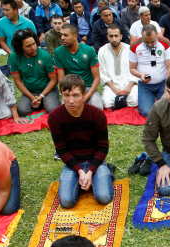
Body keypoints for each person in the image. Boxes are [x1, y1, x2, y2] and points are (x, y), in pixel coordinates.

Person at [48, 74, 113, 208]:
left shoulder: (97, 114)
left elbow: (103, 147)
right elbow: (61, 149)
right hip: (73, 162)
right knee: (66, 202)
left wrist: (90, 171)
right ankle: (87, 179)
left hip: (95, 159)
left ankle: (102, 175)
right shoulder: (55, 117)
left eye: (76, 95)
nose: (71, 100)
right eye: (66, 95)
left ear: (84, 95)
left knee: (104, 197)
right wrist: (79, 171)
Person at [9, 28, 59, 116]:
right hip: (30, 91)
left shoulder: (45, 55)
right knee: (22, 111)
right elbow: (18, 81)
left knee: (52, 110)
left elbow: (54, 80)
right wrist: (32, 97)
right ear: (20, 47)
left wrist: (41, 96)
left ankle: (43, 101)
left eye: (34, 44)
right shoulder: (13, 57)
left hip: (48, 90)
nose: (33, 48)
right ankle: (39, 102)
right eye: (28, 46)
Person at [54, 24, 103, 109]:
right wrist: (68, 95)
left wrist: (86, 97)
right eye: (61, 35)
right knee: (66, 110)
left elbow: (97, 78)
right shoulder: (58, 52)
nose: (62, 38)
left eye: (65, 35)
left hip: (88, 87)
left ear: (75, 36)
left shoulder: (89, 50)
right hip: (70, 88)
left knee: (98, 108)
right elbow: (61, 80)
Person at [129, 24, 170, 116]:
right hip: (145, 85)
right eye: (146, 42)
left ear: (157, 36)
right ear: (141, 37)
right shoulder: (134, 45)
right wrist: (141, 75)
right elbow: (132, 68)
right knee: (146, 112)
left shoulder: (165, 42)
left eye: (153, 41)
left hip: (163, 83)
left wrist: (166, 92)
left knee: (169, 108)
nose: (149, 44)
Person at [99, 24, 138, 110]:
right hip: (111, 85)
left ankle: (120, 101)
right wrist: (113, 87)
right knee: (107, 103)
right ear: (107, 37)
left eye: (116, 36)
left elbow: (136, 69)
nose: (114, 39)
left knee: (134, 101)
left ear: (121, 36)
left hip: (128, 84)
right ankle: (121, 101)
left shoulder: (130, 49)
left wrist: (130, 86)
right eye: (111, 36)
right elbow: (102, 72)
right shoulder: (102, 51)